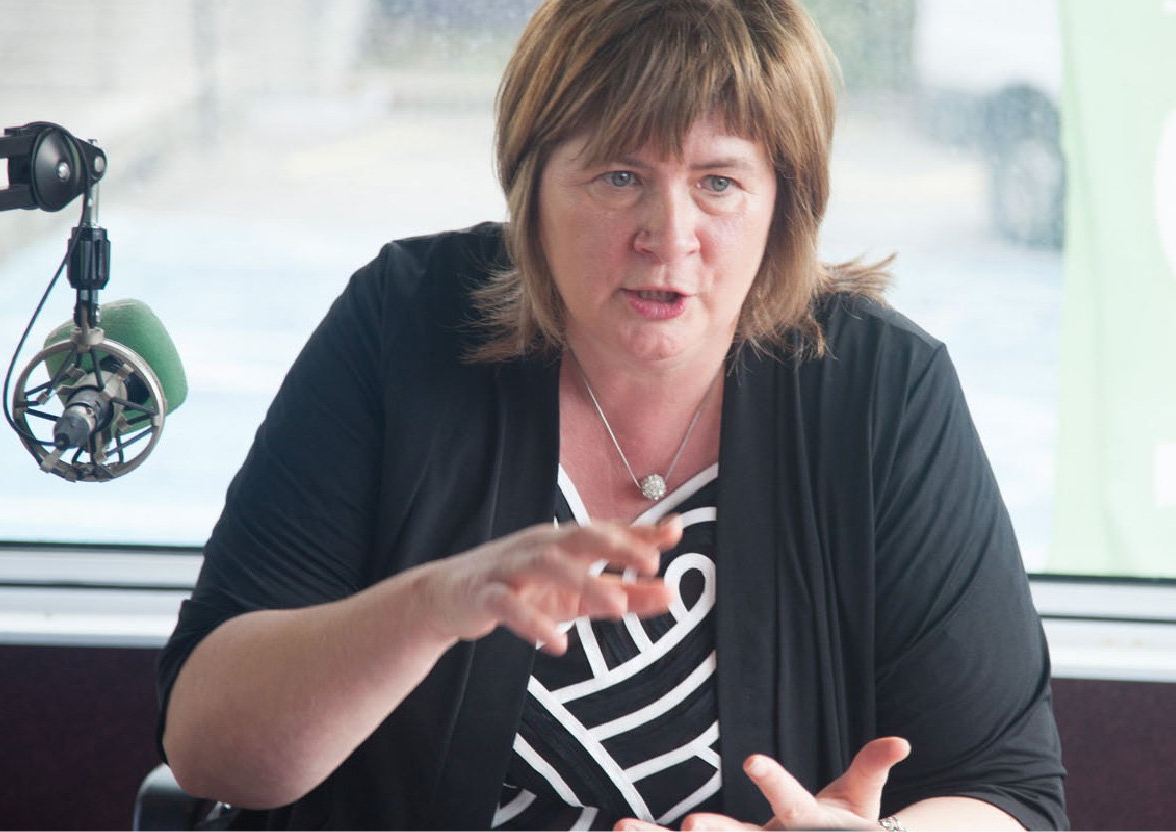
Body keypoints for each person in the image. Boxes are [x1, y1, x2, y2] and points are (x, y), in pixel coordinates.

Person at [156, 0, 1067, 828]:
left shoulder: (881, 389)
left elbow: (1007, 793)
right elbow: (208, 751)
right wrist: (427, 608)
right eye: (620, 176)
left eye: (719, 182)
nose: (668, 235)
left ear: (783, 202)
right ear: (532, 186)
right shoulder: (404, 324)